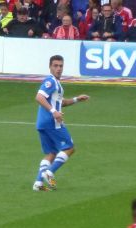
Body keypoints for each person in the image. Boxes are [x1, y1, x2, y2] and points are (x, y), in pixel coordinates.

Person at [32, 55, 89, 192]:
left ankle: (38, 183)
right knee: (69, 148)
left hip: (42, 123)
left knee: (51, 153)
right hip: (52, 122)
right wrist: (53, 112)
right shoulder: (50, 81)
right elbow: (39, 97)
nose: (58, 69)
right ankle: (49, 172)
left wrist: (76, 99)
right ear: (50, 67)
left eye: (60, 66)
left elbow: (61, 102)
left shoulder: (57, 84)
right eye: (55, 66)